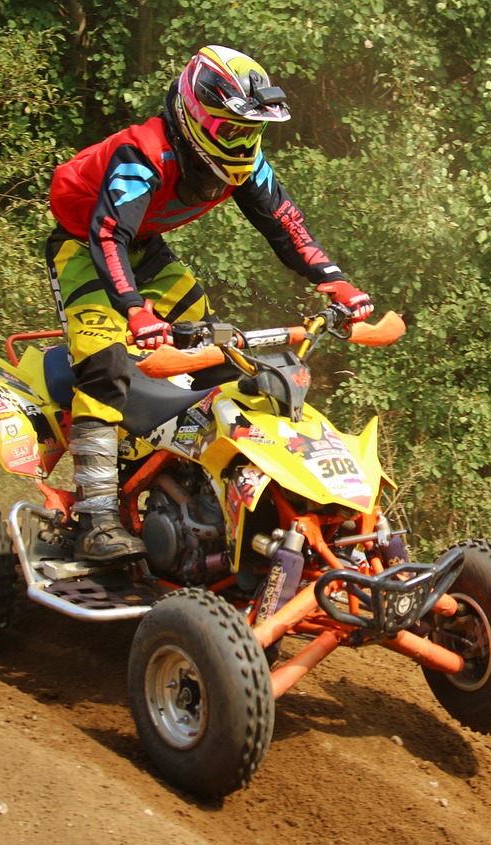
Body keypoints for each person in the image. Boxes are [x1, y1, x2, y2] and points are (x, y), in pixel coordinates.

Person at [45, 45, 373, 562]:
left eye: (250, 132)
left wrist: (335, 280)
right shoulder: (144, 154)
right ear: (197, 117)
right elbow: (107, 235)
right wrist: (134, 309)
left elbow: (287, 225)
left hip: (145, 249)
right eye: (233, 131)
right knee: (103, 363)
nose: (242, 143)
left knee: (216, 346)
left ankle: (200, 490)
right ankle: (97, 516)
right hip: (86, 246)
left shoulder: (244, 164)